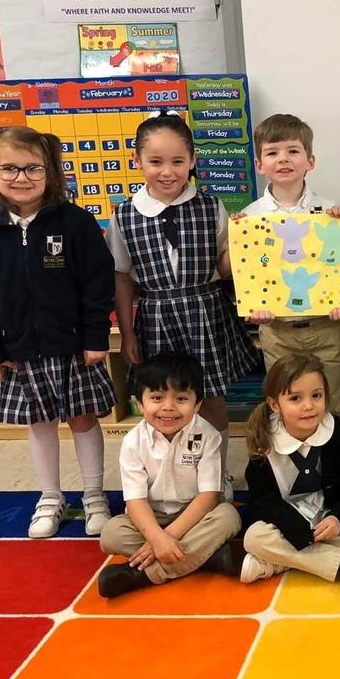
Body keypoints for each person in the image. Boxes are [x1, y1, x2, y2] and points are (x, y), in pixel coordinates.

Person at [0, 127, 116, 539]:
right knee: (40, 423)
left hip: (73, 347)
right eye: (9, 168)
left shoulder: (76, 223)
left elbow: (97, 285)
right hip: (20, 349)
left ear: (50, 172)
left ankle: (94, 494)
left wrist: (95, 338)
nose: (21, 177)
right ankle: (50, 495)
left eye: (33, 168)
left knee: (82, 419)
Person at [107, 113, 261, 497]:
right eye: (155, 161)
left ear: (192, 160)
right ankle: (171, 477)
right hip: (156, 314)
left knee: (210, 399)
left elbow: (225, 267)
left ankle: (218, 473)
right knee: (165, 400)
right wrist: (127, 332)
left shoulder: (211, 207)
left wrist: (246, 240)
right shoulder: (124, 215)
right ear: (137, 161)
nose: (167, 171)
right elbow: (122, 276)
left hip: (205, 312)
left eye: (177, 161)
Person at [240, 113, 340, 419]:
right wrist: (256, 305)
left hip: (326, 325)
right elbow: (249, 274)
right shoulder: (248, 219)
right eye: (272, 152)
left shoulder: (332, 211)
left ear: (310, 161)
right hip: (277, 329)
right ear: (259, 165)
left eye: (293, 151)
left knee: (332, 401)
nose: (283, 159)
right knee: (286, 400)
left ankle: (335, 463)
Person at [97, 354, 242, 598]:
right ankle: (207, 558)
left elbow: (208, 497)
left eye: (181, 399)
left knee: (229, 517)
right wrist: (157, 538)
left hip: (194, 517)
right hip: (151, 518)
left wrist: (168, 538)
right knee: (111, 534)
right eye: (156, 398)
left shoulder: (207, 435)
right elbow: (135, 502)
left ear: (197, 405)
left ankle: (144, 574)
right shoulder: (133, 442)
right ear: (140, 404)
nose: (168, 407)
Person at [239, 354, 340, 593]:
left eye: (316, 396)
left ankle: (277, 562)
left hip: (329, 516)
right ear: (275, 404)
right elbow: (262, 498)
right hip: (290, 520)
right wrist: (293, 527)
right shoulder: (264, 439)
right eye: (295, 398)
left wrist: (338, 517)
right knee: (254, 538)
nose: (308, 406)